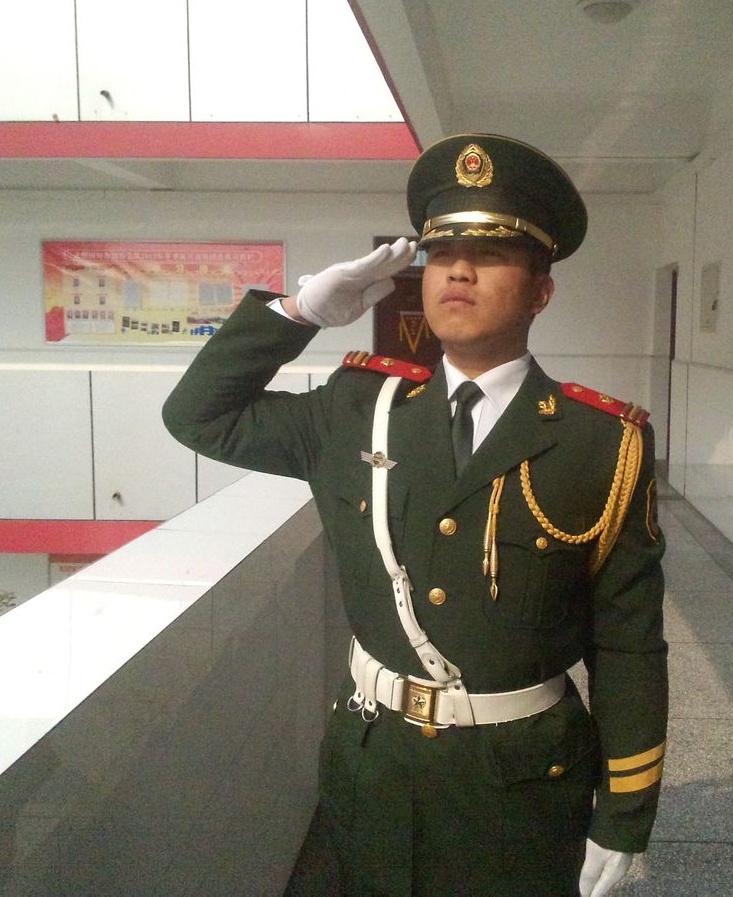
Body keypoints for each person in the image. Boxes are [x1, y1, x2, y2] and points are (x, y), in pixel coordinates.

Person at [163, 134, 668, 896]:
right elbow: (199, 417)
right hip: (374, 763)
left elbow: (627, 644)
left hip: (522, 779)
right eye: (441, 254)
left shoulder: (602, 443)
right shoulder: (357, 409)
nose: (458, 270)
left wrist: (625, 812)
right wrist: (298, 311)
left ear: (541, 292)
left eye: (490, 254)